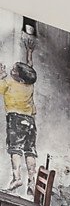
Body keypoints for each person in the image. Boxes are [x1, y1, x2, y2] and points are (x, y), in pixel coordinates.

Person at [0, 58, 38, 196]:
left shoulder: (9, 83)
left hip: (16, 119)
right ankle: (32, 181)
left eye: (14, 70)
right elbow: (29, 68)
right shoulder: (30, 85)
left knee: (15, 150)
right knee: (30, 151)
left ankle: (17, 179)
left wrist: (1, 75)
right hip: (30, 121)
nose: (11, 70)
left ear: (20, 79)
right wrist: (29, 54)